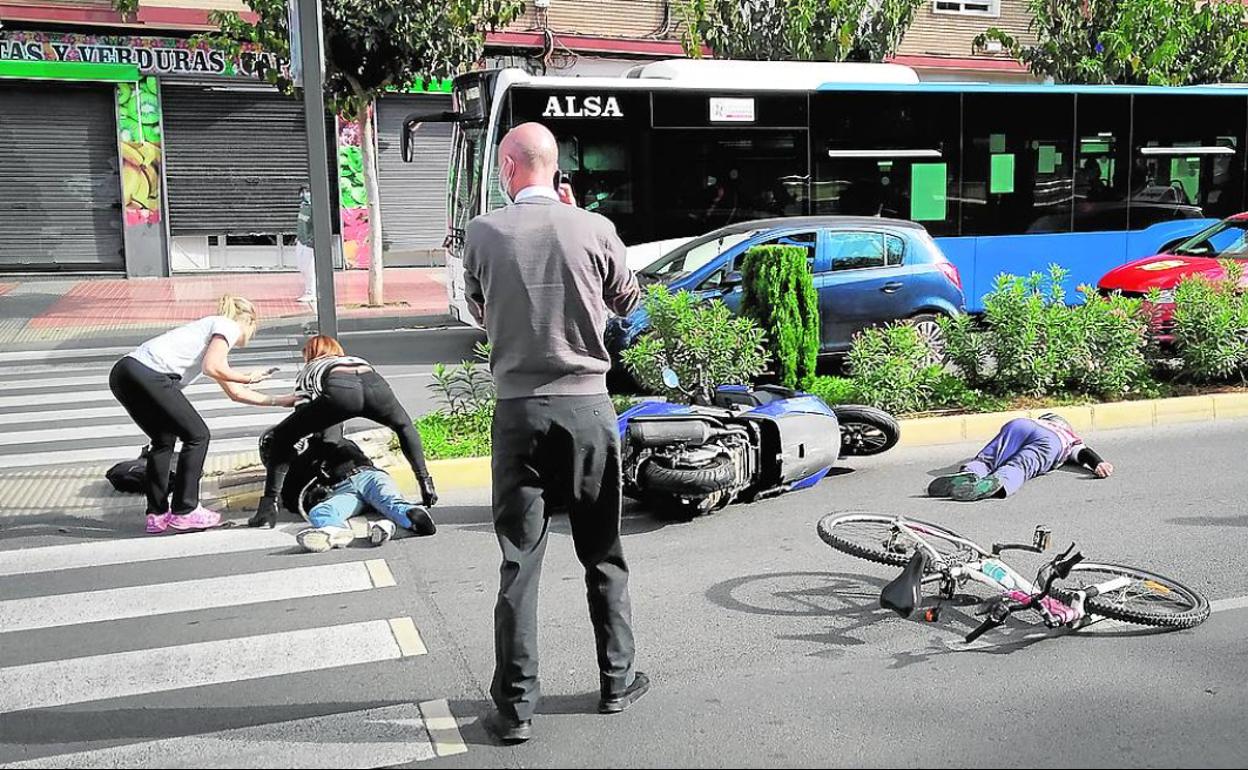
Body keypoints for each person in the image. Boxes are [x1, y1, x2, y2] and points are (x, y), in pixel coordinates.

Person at [462, 121, 648, 745]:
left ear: (511, 169)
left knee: (520, 563)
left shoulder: (483, 233)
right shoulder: (596, 229)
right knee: (603, 553)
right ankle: (617, 682)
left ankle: (514, 711)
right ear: (555, 169)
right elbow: (626, 301)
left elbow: (481, 309)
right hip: (588, 412)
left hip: (518, 413)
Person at [109, 295, 294, 534]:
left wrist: (280, 401)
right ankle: (186, 510)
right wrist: (249, 376)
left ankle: (157, 514)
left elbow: (235, 392)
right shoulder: (226, 325)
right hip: (150, 375)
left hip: (124, 373)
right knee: (198, 435)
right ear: (249, 321)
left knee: (163, 440)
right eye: (254, 329)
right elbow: (212, 368)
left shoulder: (208, 334)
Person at [250, 335, 436, 529]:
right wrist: (423, 480)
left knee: (283, 436)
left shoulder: (311, 368)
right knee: (404, 426)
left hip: (341, 391)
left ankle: (267, 509)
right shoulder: (352, 359)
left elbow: (305, 420)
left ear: (311, 354)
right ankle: (426, 484)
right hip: (374, 385)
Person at [274, 433, 437, 553]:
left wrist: (313, 494)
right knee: (321, 511)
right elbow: (291, 501)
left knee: (389, 501)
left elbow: (291, 501)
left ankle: (335, 530)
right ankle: (406, 517)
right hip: (357, 484)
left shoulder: (312, 449)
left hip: (356, 483)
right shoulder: (293, 467)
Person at [927, 413, 1113, 502]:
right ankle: (999, 481)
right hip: (1050, 442)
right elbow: (1083, 453)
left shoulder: (1037, 420)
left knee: (988, 459)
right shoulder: (1067, 437)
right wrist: (1098, 463)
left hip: (1020, 425)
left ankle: (971, 473)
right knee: (1020, 466)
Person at [294, 185, 317, 303]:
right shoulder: (303, 207)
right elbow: (301, 224)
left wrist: (312, 240)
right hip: (301, 241)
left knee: (309, 268)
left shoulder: (315, 207)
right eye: (303, 192)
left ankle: (311, 292)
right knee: (302, 267)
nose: (305, 194)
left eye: (307, 191)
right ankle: (310, 291)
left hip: (309, 243)